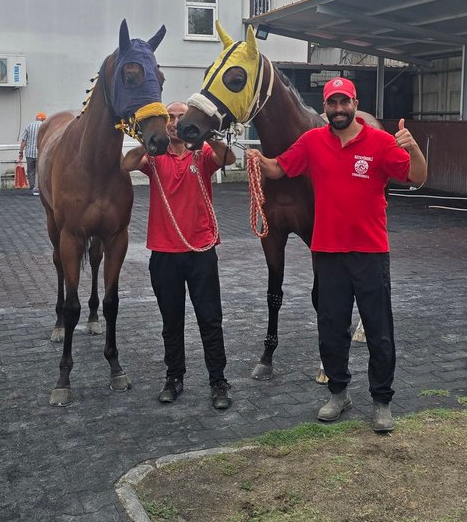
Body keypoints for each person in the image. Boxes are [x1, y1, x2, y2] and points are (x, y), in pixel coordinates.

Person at [256, 77, 427, 433]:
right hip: (328, 254)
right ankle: (338, 394)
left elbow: (417, 177)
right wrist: (258, 159)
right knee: (331, 329)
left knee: (379, 332)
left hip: (370, 253)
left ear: (354, 103)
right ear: (325, 107)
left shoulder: (379, 142)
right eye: (331, 104)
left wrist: (414, 148)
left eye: (343, 102)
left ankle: (381, 401)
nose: (338, 109)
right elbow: (279, 168)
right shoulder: (312, 142)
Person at [124, 101, 236, 410]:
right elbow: (127, 164)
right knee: (171, 321)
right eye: (169, 118)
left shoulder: (201, 156)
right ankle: (174, 377)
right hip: (164, 253)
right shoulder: (156, 157)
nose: (174, 122)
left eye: (178, 117)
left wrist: (205, 132)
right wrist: (146, 140)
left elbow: (230, 157)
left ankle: (218, 381)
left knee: (210, 319)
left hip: (201, 250)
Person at [18, 112, 46, 194]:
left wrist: (20, 152)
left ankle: (32, 186)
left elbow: (23, 141)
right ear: (43, 119)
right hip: (40, 153)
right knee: (38, 171)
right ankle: (36, 189)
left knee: (30, 171)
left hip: (29, 153)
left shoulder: (29, 126)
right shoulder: (44, 126)